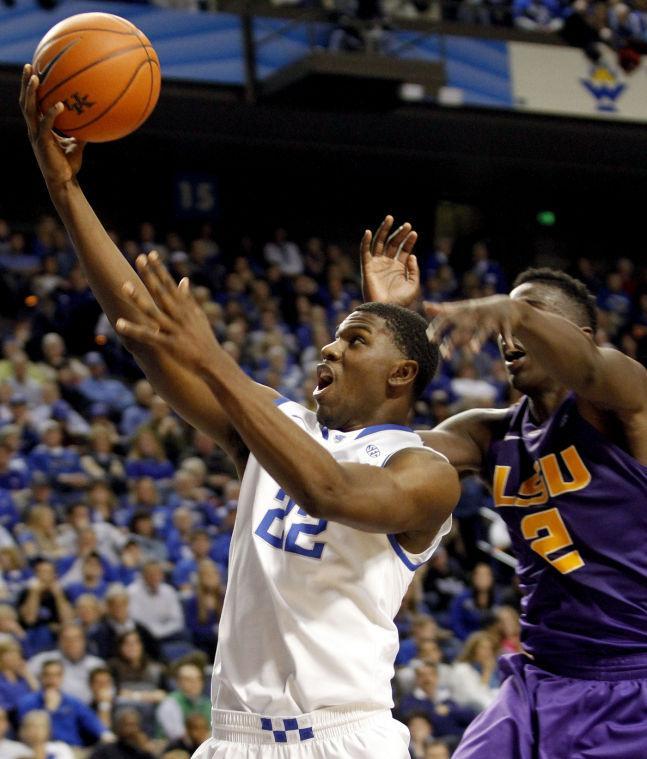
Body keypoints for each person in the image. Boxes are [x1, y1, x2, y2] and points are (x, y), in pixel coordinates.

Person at [20, 69, 459, 758]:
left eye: (354, 340)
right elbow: (144, 322)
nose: (327, 344)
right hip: (233, 739)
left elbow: (330, 489)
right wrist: (65, 190)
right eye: (335, 333)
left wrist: (220, 360)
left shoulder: (423, 471)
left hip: (343, 739)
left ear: (402, 374)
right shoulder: (274, 425)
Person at [361, 215, 647, 758]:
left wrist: (513, 306)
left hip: (634, 682)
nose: (509, 335)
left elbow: (590, 371)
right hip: (537, 683)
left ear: (579, 335)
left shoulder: (628, 405)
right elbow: (374, 447)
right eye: (507, 325)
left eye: (533, 320)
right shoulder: (488, 433)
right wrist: (390, 321)